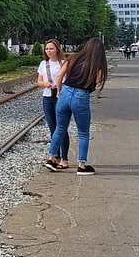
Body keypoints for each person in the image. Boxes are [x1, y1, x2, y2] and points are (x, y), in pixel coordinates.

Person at [49, 36, 108, 175]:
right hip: (81, 96)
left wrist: (58, 91)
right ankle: (82, 165)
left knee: (60, 128)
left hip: (65, 93)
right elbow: (97, 81)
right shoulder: (96, 65)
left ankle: (51, 159)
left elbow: (59, 76)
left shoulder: (73, 58)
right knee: (83, 132)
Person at [36, 39, 69, 171]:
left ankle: (64, 158)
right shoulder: (44, 64)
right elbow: (39, 81)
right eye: (47, 49)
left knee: (62, 128)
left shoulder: (63, 63)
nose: (48, 51)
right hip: (47, 97)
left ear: (57, 49)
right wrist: (45, 84)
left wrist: (59, 84)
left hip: (60, 97)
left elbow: (68, 79)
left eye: (51, 48)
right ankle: (55, 155)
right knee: (52, 128)